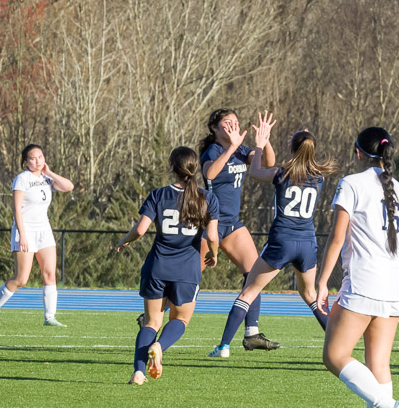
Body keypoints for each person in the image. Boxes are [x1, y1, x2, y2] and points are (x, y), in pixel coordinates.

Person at [316, 127, 399, 408]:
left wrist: (322, 281)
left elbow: (337, 239)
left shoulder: (352, 184)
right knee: (378, 365)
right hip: (395, 285)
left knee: (334, 355)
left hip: (364, 283)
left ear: (358, 152)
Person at [209, 129, 337, 358]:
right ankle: (336, 343)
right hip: (307, 243)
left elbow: (256, 171)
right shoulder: (319, 177)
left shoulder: (282, 173)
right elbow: (304, 156)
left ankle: (223, 347)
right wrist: (305, 139)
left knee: (248, 291)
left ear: (290, 149)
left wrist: (260, 145)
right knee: (310, 295)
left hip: (282, 241)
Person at [114, 146, 218, 385]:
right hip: (186, 270)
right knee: (179, 320)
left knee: (151, 322)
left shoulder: (159, 195)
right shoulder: (207, 198)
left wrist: (124, 240)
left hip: (157, 266)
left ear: (173, 168)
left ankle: (138, 373)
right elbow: (212, 236)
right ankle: (159, 347)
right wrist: (214, 254)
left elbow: (140, 230)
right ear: (196, 169)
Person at [200, 109, 279, 350]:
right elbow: (209, 175)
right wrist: (231, 148)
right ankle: (153, 316)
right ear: (214, 128)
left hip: (233, 223)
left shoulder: (243, 150)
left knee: (253, 273)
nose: (233, 126)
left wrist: (265, 143)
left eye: (235, 122)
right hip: (211, 222)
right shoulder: (213, 150)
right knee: (188, 277)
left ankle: (252, 333)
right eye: (227, 123)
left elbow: (269, 163)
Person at [0, 145, 75, 327]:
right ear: (25, 162)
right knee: (21, 279)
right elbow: (16, 209)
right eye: (33, 158)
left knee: (49, 274)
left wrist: (50, 172)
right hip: (25, 230)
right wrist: (22, 235)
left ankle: (50, 317)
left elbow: (69, 187)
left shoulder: (47, 178)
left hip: (45, 231)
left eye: (40, 157)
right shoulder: (22, 179)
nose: (38, 161)